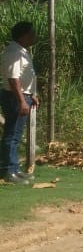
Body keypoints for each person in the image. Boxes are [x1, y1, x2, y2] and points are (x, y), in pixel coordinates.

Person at [1, 21, 38, 184]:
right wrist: (22, 101)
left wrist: (32, 94)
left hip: (23, 96)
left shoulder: (21, 51)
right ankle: (8, 171)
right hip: (15, 97)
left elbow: (23, 77)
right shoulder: (14, 53)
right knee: (12, 134)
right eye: (31, 33)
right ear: (23, 36)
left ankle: (14, 169)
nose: (34, 36)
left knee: (15, 134)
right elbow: (13, 80)